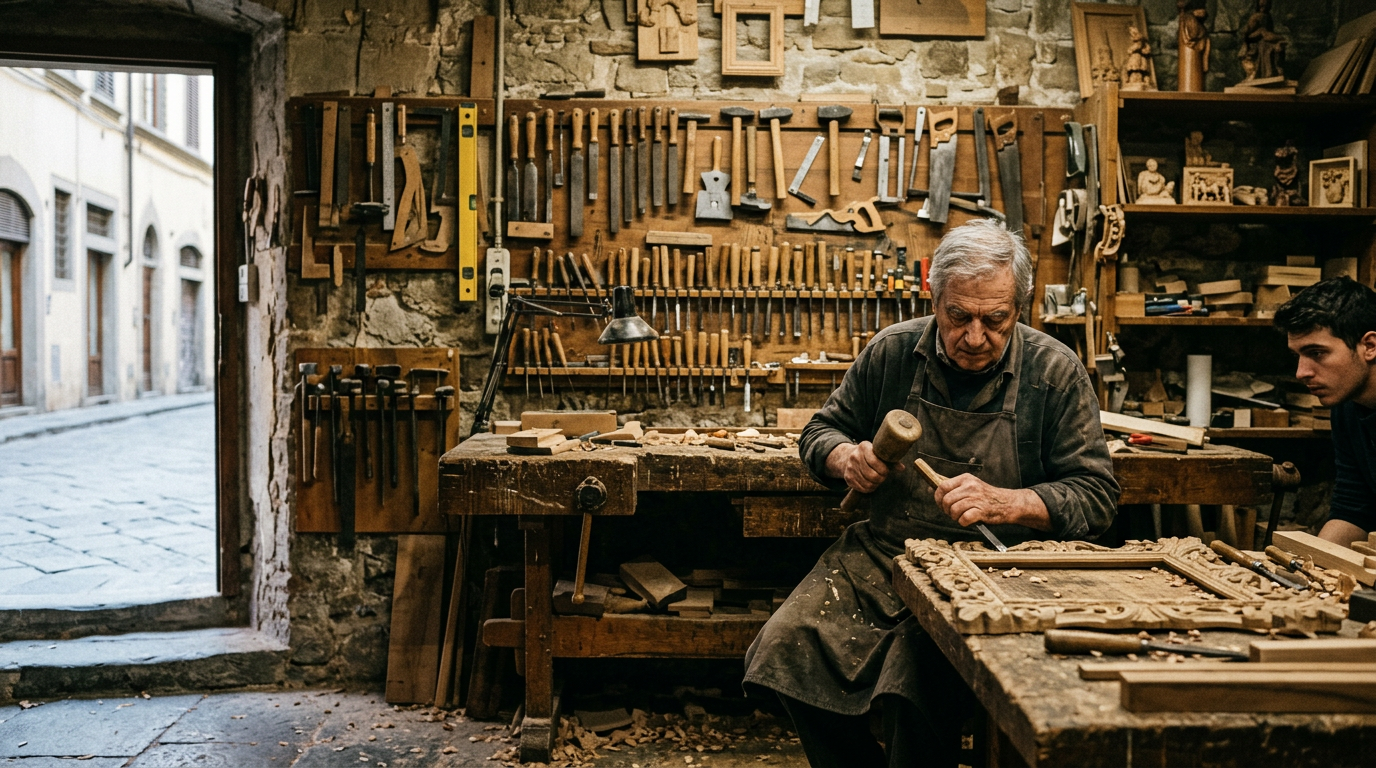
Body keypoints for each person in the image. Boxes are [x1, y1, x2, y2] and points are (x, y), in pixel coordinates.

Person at [743, 219, 1121, 768]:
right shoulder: (893, 352)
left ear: (1020, 306)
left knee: (912, 683)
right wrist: (844, 458)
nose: (974, 337)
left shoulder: (1054, 372)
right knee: (785, 648)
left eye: (995, 320)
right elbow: (818, 433)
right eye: (957, 316)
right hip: (886, 554)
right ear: (934, 295)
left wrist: (1007, 502)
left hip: (999, 568)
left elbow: (1096, 497)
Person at [1274, 277, 1376, 545]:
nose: (1301, 372)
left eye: (1317, 353)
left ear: (1370, 346)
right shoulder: (1346, 409)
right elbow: (1353, 511)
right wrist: (1310, 567)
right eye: (1297, 356)